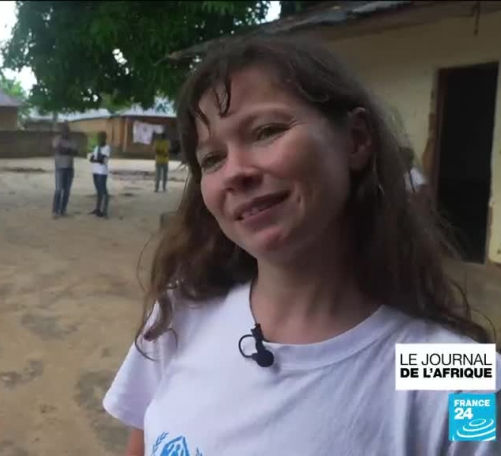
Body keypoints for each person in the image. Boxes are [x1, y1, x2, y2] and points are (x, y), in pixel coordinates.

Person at [102, 36, 499, 455]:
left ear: (356, 139)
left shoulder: (460, 375)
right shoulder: (181, 312)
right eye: (212, 159)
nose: (235, 172)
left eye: (266, 131)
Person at [51, 124, 78, 218]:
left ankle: (63, 210)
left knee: (67, 191)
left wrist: (65, 150)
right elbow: (58, 149)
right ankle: (55, 211)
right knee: (58, 190)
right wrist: (69, 151)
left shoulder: (72, 141)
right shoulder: (57, 139)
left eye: (67, 131)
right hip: (60, 167)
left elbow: (76, 152)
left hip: (70, 168)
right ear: (61, 131)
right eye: (64, 130)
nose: (66, 132)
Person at [89, 131, 111, 218]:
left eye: (101, 138)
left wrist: (97, 159)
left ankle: (105, 210)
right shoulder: (96, 147)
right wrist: (98, 159)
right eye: (98, 138)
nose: (99, 140)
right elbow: (92, 159)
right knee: (98, 191)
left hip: (102, 172)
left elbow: (102, 160)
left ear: (105, 138)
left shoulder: (107, 148)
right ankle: (98, 209)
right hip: (95, 171)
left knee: (104, 191)